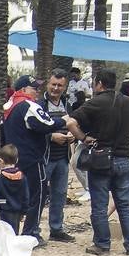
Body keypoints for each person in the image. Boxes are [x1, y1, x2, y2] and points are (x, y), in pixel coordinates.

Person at [69, 68, 129, 256]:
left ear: (99, 83)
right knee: (125, 205)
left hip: (100, 158)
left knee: (99, 205)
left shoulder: (94, 103)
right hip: (124, 159)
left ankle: (102, 244)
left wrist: (83, 138)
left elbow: (70, 123)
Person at [1, 75, 66, 245]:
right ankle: (31, 233)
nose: (37, 91)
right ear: (23, 90)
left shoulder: (9, 105)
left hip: (15, 158)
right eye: (34, 88)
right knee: (37, 195)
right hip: (32, 159)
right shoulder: (28, 105)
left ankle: (11, 233)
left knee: (16, 195)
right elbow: (46, 124)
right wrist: (64, 121)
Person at [41, 70, 77, 242]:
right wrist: (51, 136)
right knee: (39, 194)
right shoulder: (39, 104)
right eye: (53, 84)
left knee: (60, 194)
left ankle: (56, 229)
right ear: (48, 84)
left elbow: (72, 123)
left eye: (59, 85)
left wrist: (73, 136)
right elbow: (33, 129)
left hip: (62, 157)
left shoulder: (66, 104)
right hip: (45, 157)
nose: (55, 88)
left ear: (65, 87)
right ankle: (33, 230)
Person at [0, 144, 28, 234]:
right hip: (17, 212)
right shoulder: (22, 178)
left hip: (3, 212)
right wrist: (24, 212)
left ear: (1, 161)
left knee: (4, 236)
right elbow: (25, 196)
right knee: (14, 235)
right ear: (17, 160)